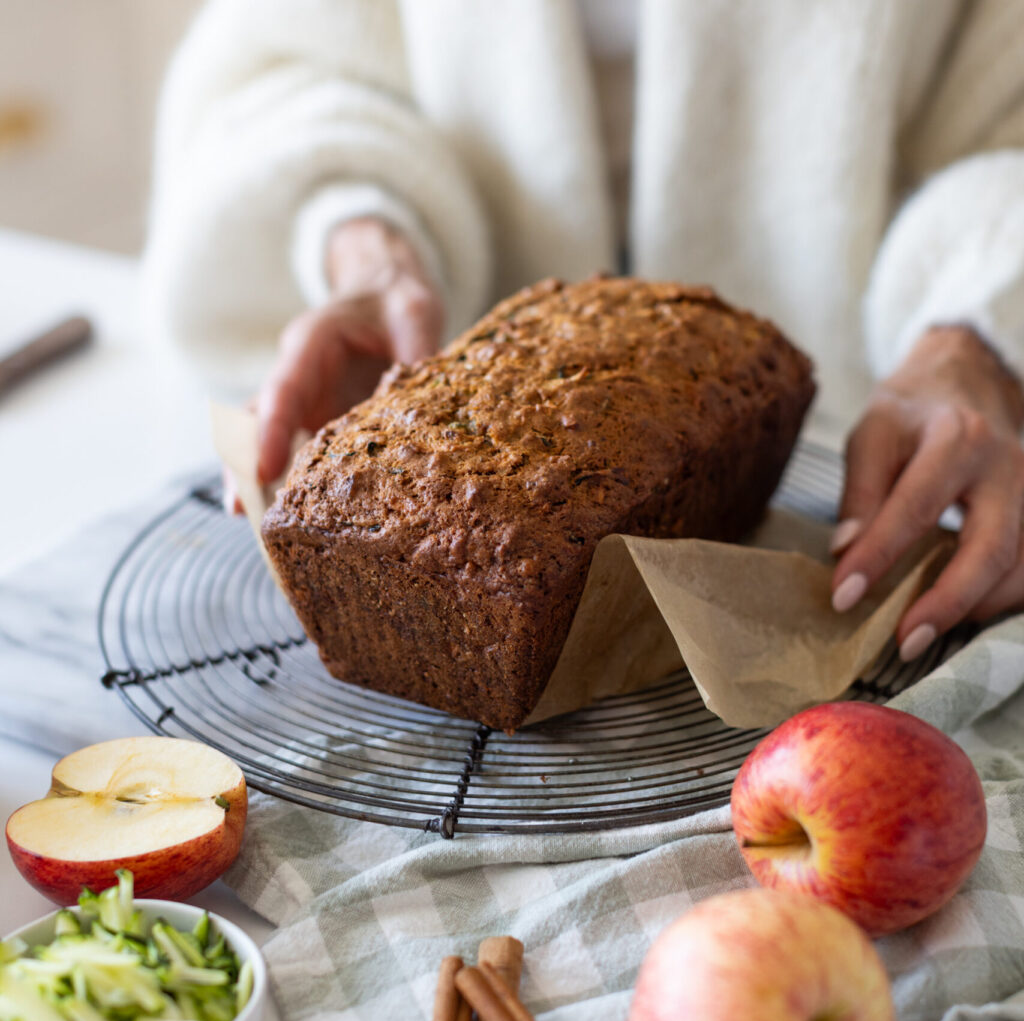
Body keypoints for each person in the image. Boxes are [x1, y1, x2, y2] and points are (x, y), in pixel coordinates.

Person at [144, 0, 1024, 663]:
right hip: (439, 375)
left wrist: (981, 330)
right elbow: (283, 64)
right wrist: (370, 241)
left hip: (895, 452)